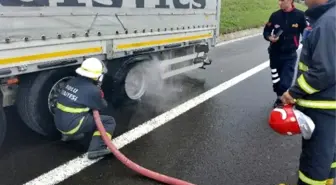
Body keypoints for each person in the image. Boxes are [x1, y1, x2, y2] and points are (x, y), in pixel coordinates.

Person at [281, 0, 336, 184]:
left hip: (322, 109)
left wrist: (293, 93)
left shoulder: (328, 22)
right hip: (330, 106)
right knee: (329, 158)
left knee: (313, 165)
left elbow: (324, 71)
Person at [54, 57, 116, 160]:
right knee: (108, 121)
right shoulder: (92, 90)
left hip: (59, 124)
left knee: (79, 111)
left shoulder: (71, 81)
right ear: (98, 76)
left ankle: (68, 135)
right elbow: (102, 106)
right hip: (72, 126)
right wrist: (99, 95)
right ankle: (97, 149)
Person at [263, 0, 307, 108]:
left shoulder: (300, 15)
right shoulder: (275, 16)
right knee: (276, 80)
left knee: (285, 80)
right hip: (274, 54)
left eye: (282, 0)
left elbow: (306, 33)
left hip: (290, 54)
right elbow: (266, 31)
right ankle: (279, 97)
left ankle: (284, 98)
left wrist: (307, 44)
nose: (279, 3)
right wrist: (270, 37)